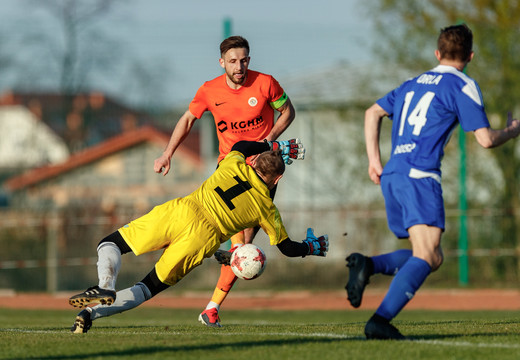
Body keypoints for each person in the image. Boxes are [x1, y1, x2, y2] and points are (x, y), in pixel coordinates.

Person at [345, 24, 520, 340]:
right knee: (426, 256)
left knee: (429, 256)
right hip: (420, 176)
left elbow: (372, 113)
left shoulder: (412, 84)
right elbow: (485, 140)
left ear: (437, 54)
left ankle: (368, 265)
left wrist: (374, 161)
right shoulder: (461, 85)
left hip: (394, 174)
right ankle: (379, 321)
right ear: (470, 55)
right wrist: (511, 131)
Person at [69, 139, 328, 333]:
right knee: (147, 287)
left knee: (110, 243)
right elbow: (288, 248)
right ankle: (92, 313)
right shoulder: (267, 209)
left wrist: (273, 145)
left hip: (183, 211)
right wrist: (311, 246)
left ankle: (106, 285)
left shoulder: (234, 163)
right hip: (203, 239)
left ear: (253, 161)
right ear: (278, 178)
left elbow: (240, 144)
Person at [153, 35, 297, 327]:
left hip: (263, 174)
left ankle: (212, 304)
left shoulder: (266, 83)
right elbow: (187, 119)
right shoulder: (209, 91)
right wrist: (168, 153)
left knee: (244, 248)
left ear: (249, 60)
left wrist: (268, 141)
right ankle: (210, 299)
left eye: (244, 60)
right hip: (230, 172)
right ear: (222, 63)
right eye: (233, 61)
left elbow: (288, 112)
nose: (239, 66)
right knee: (241, 247)